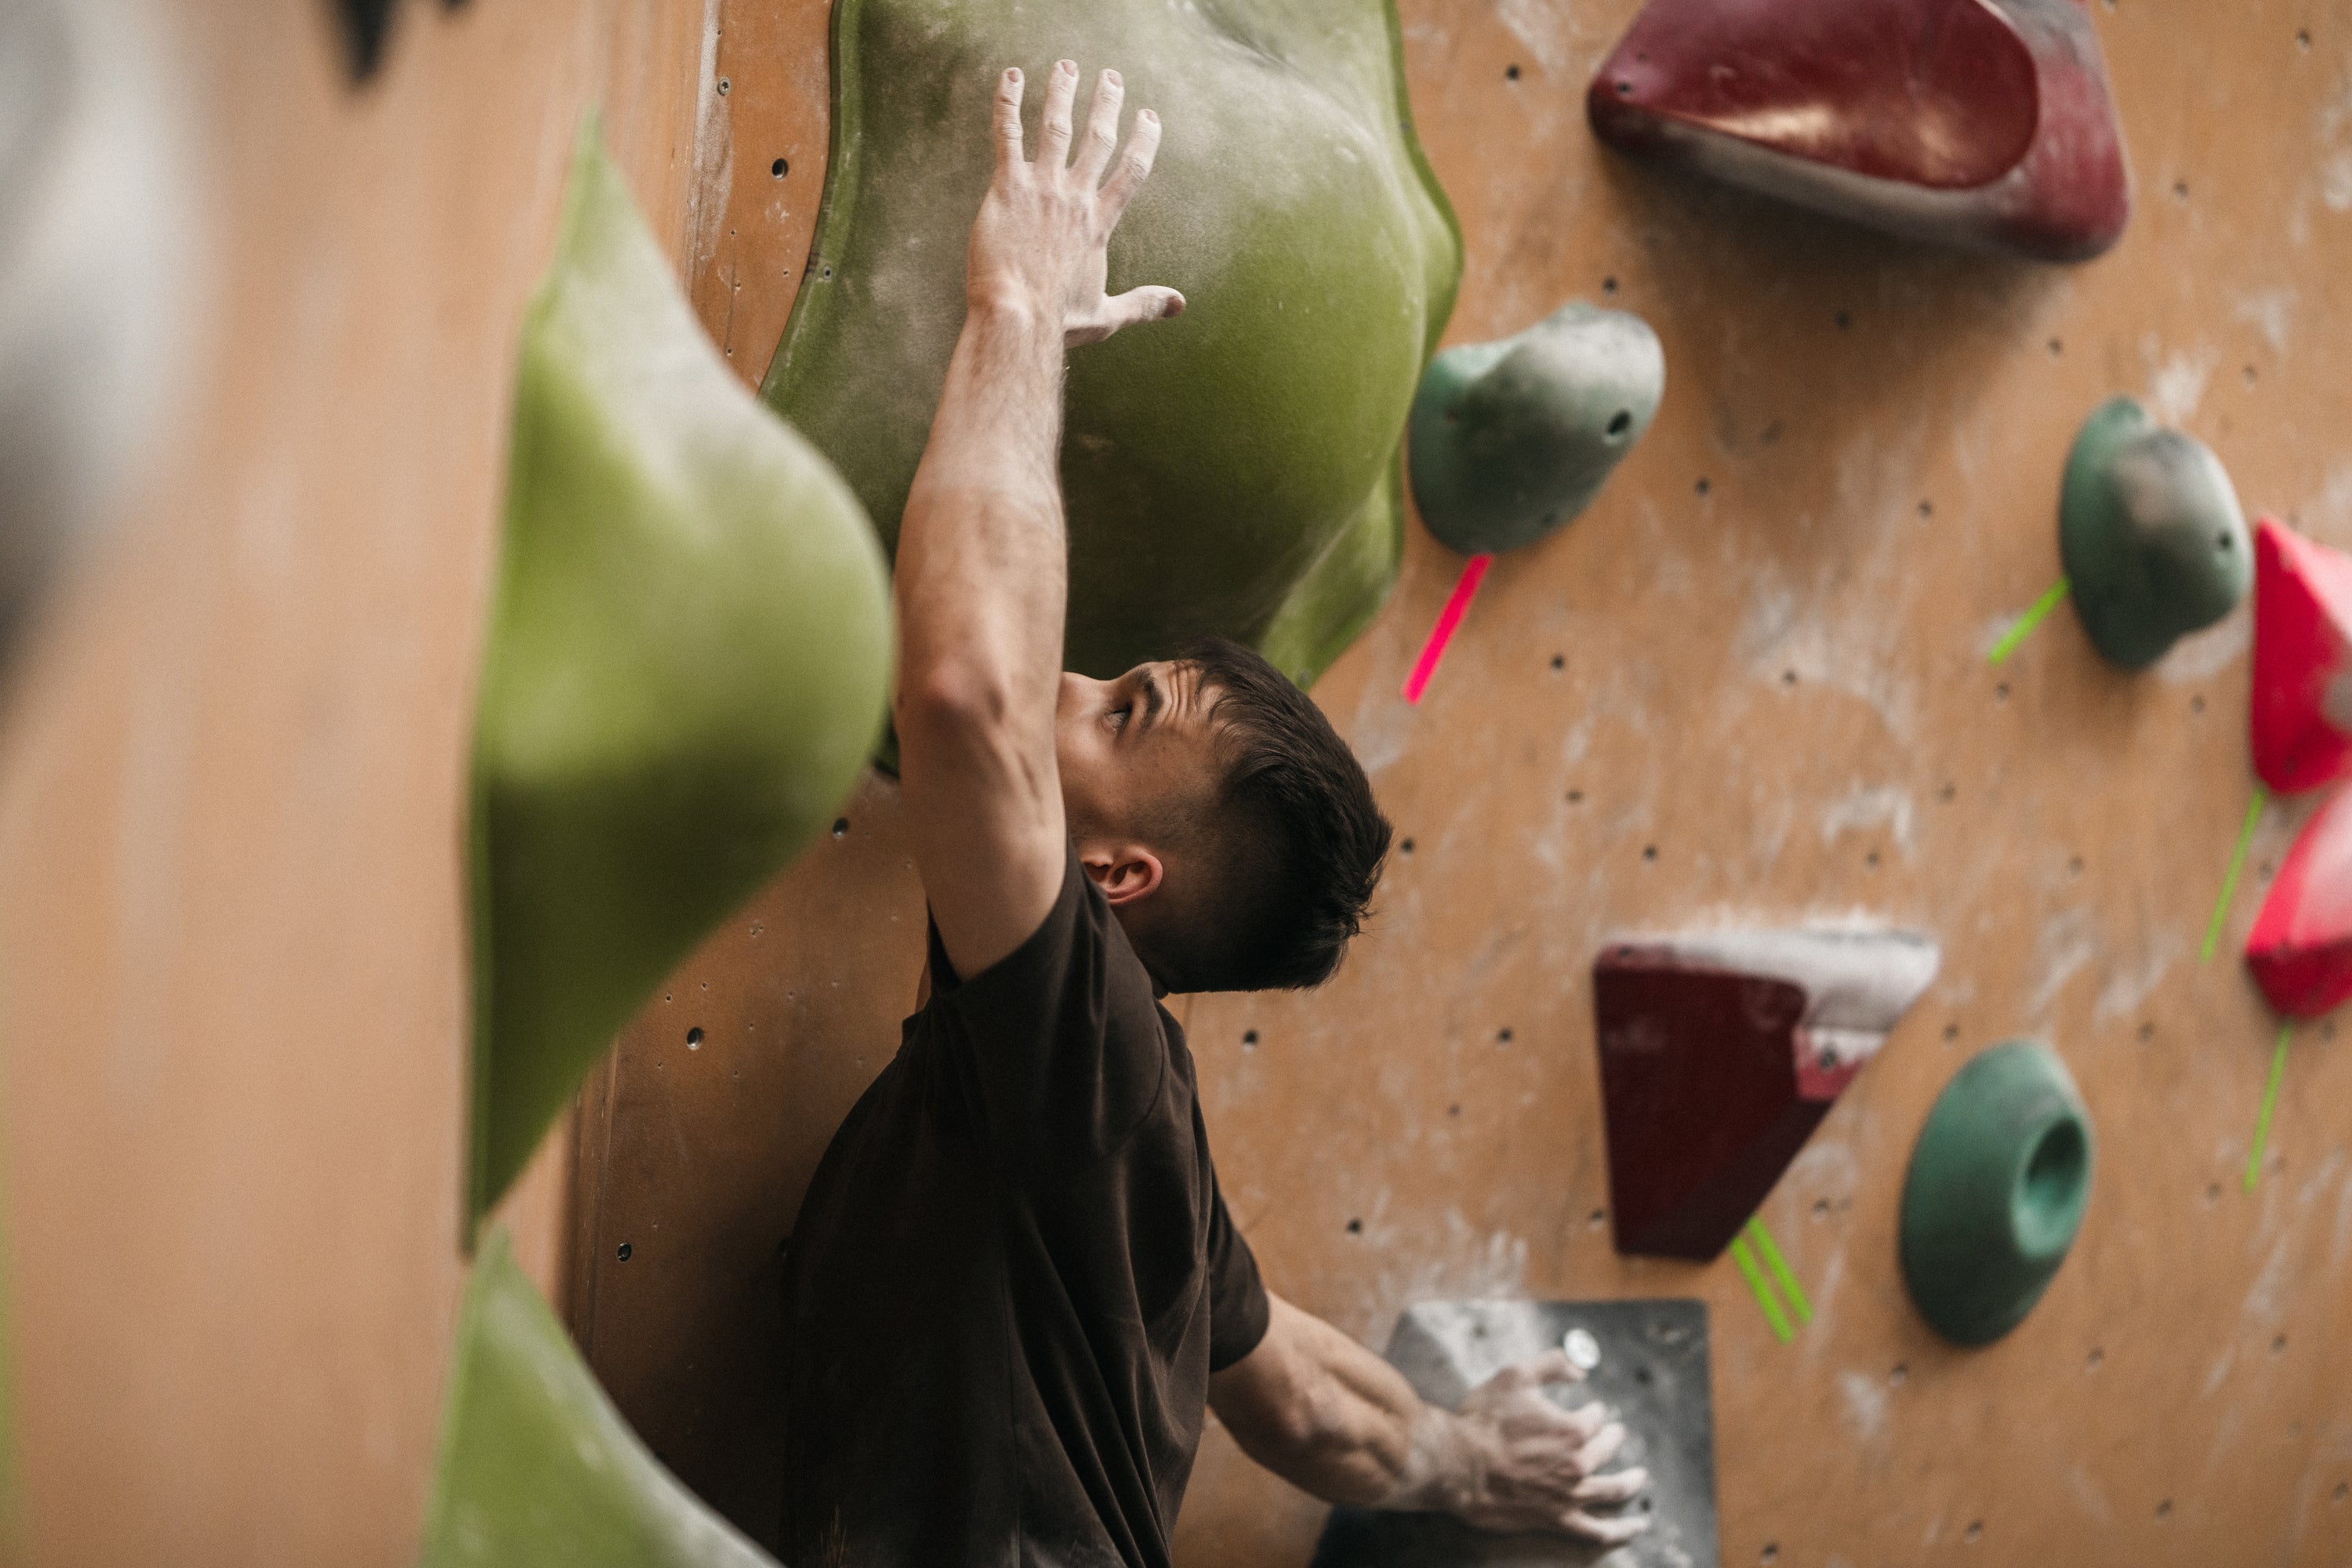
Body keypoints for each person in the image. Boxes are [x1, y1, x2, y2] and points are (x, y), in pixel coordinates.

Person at [777, 58, 1649, 1567]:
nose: (1066, 676)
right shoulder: (1130, 1138)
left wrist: (1021, 311)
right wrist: (1457, 1452)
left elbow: (970, 698)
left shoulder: (1090, 1055)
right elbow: (1302, 1396)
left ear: (1118, 875)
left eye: (1122, 713)